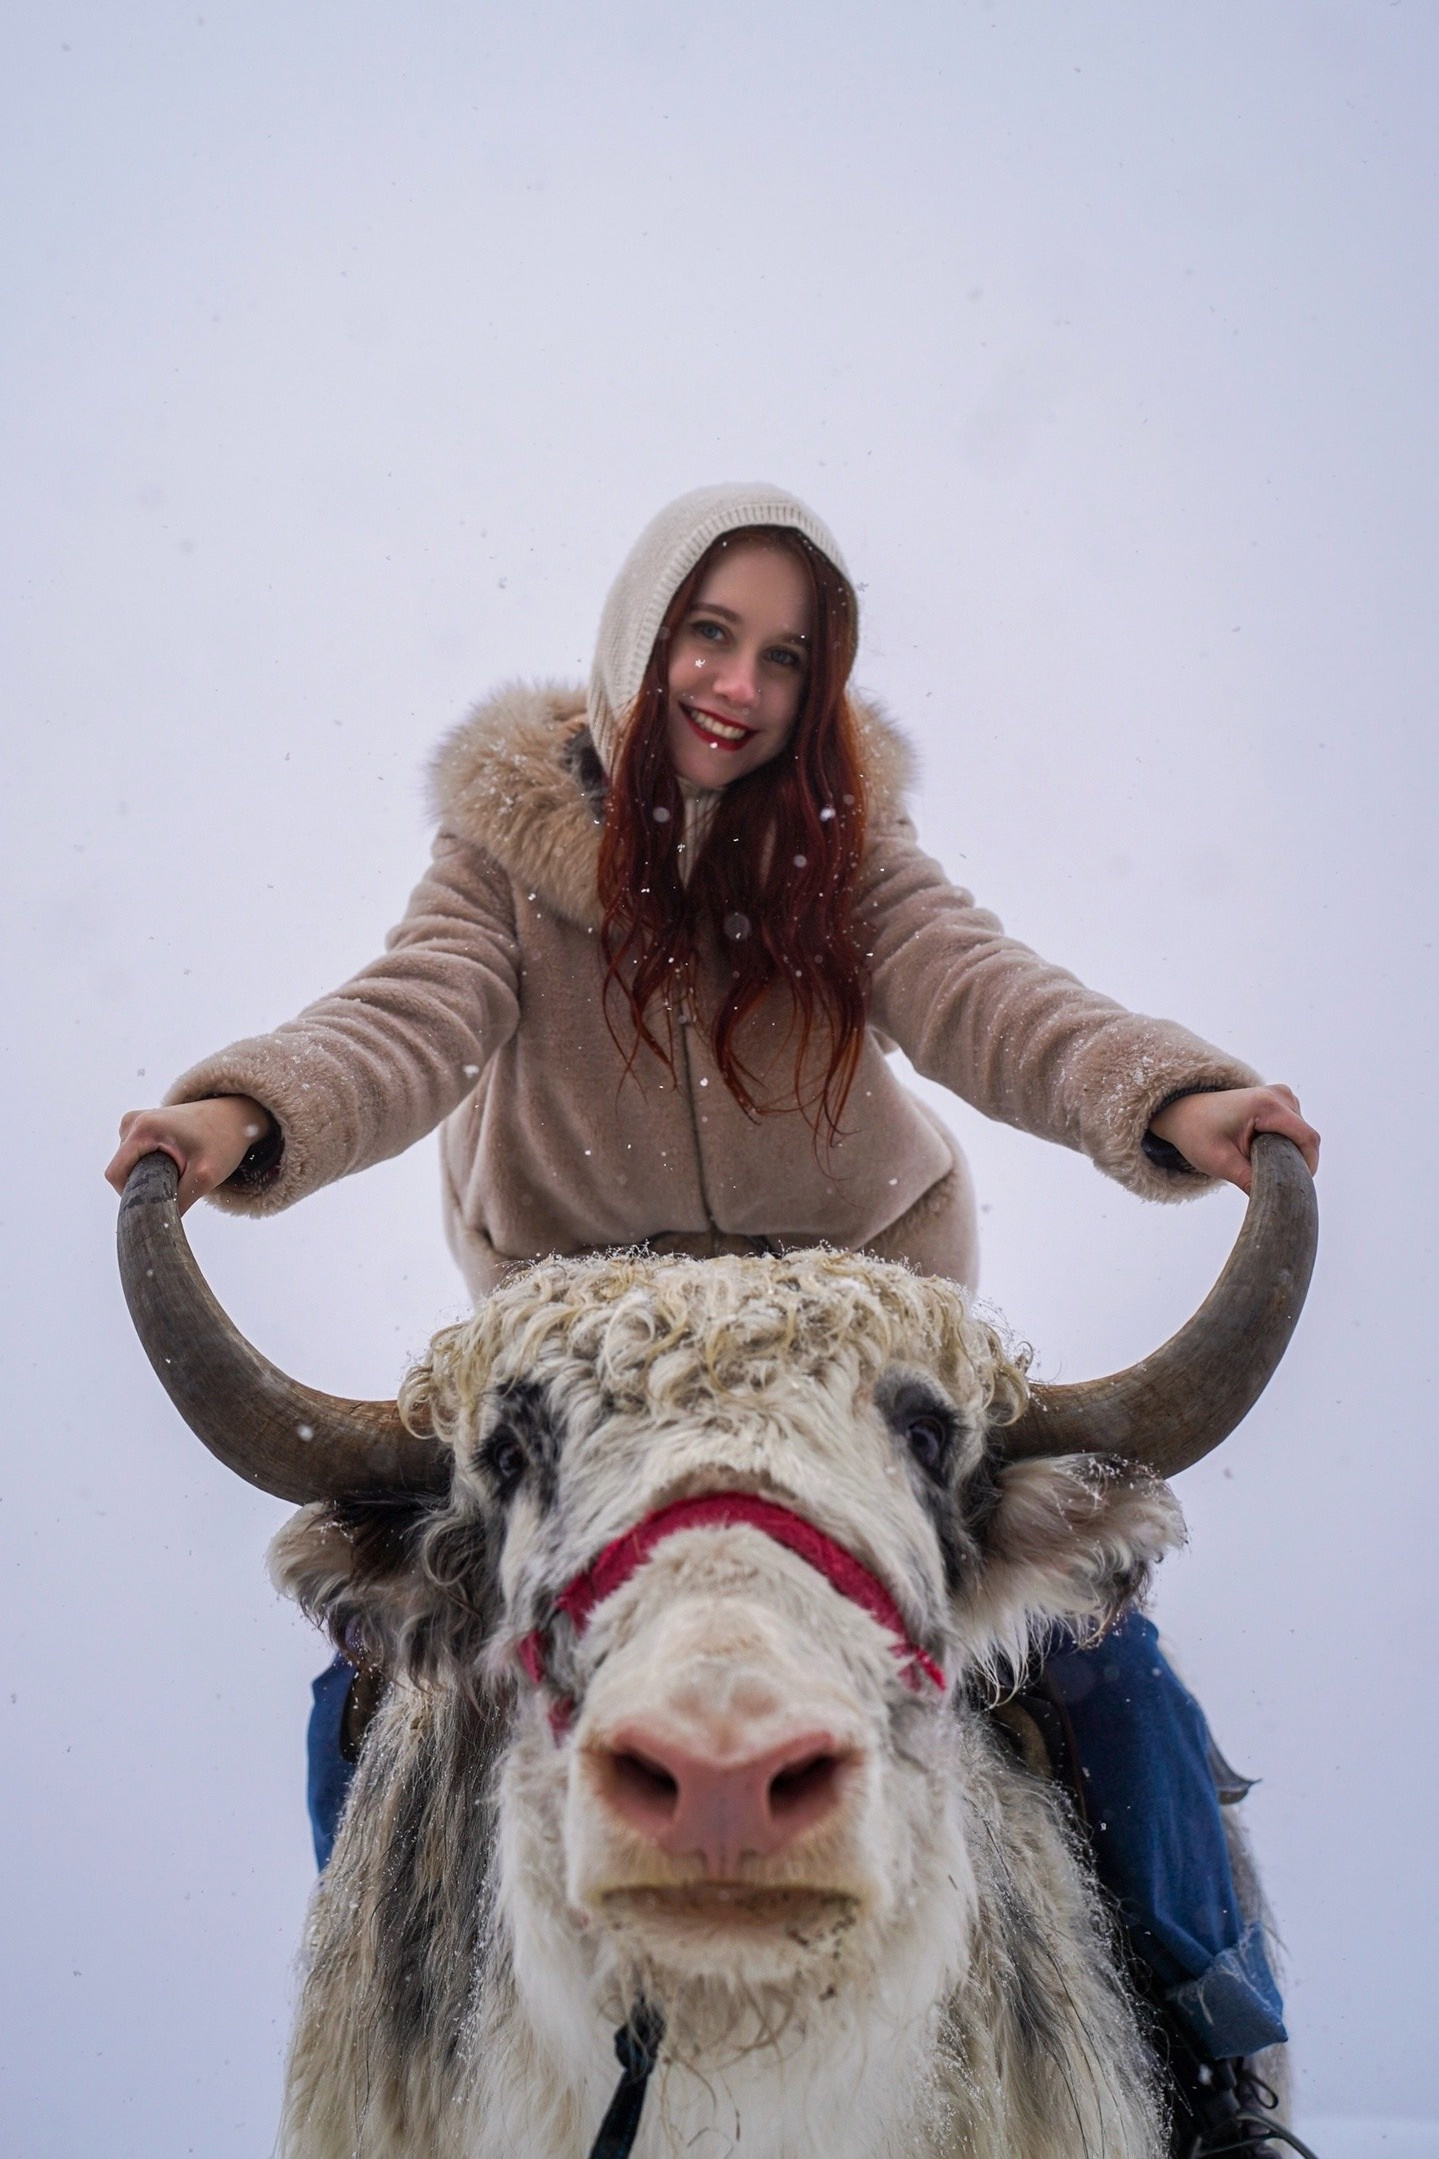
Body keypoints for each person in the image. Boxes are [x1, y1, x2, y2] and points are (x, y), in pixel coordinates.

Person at [107, 483, 1318, 2142]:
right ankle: (394, 2052)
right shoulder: (507, 854)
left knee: (1106, 1662)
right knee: (379, 1693)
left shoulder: (846, 846)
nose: (739, 687)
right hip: (592, 1377)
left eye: (785, 658)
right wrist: (250, 1114)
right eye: (708, 634)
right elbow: (408, 1018)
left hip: (845, 1366)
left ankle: (1211, 2056)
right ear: (640, 636)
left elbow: (986, 993)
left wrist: (1164, 1094)